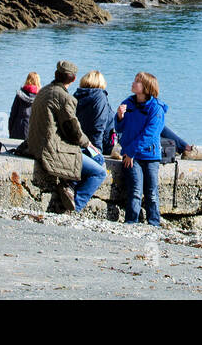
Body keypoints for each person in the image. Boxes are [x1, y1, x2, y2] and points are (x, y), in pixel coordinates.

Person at [26, 60, 107, 214]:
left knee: (99, 158)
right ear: (73, 79)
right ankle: (74, 207)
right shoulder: (64, 98)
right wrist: (88, 143)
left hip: (36, 144)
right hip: (51, 149)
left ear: (56, 74)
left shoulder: (44, 91)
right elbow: (73, 130)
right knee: (99, 172)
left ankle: (69, 185)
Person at [116, 71, 167, 226]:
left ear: (146, 87)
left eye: (137, 81)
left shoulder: (156, 108)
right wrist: (119, 117)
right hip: (131, 155)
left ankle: (154, 223)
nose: (133, 83)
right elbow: (120, 128)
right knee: (135, 190)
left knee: (151, 192)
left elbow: (151, 134)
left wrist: (131, 151)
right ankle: (131, 221)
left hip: (149, 155)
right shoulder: (128, 103)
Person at [7, 72, 40, 141]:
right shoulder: (40, 96)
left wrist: (11, 130)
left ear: (27, 80)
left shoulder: (20, 95)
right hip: (33, 131)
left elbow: (13, 114)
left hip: (18, 128)